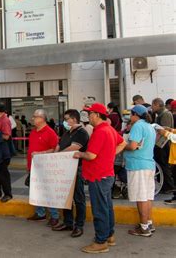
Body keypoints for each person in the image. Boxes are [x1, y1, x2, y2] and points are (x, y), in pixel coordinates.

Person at [73, 103, 126, 254]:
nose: (88, 116)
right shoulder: (109, 129)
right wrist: (109, 155)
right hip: (106, 174)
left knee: (100, 209)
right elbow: (123, 143)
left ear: (96, 115)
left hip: (98, 176)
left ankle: (100, 241)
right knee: (107, 206)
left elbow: (90, 155)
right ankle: (109, 235)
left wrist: (79, 154)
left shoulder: (100, 131)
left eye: (90, 114)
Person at [52, 109, 89, 237]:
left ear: (73, 119)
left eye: (66, 119)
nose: (65, 121)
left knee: (78, 199)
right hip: (64, 169)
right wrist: (54, 155)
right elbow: (59, 144)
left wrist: (57, 156)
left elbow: (74, 148)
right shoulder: (67, 132)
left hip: (76, 169)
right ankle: (68, 222)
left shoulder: (81, 133)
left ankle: (79, 225)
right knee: (65, 197)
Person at [122, 105, 156, 236]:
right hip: (149, 164)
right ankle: (148, 223)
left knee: (141, 197)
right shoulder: (149, 126)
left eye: (131, 114)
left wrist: (122, 145)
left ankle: (143, 228)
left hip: (137, 165)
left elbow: (132, 146)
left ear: (135, 114)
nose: (130, 117)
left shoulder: (137, 126)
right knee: (147, 196)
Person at [26, 109, 59, 226]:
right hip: (33, 167)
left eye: (35, 117)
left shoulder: (50, 132)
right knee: (36, 191)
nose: (33, 118)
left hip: (45, 168)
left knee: (48, 191)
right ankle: (40, 213)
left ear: (42, 119)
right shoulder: (33, 132)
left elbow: (55, 149)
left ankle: (54, 215)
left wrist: (41, 153)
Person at [152, 98, 174, 194]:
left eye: (153, 105)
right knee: (161, 165)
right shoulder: (160, 114)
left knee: (164, 165)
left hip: (163, 145)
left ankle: (168, 187)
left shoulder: (165, 114)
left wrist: (158, 145)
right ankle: (165, 186)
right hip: (160, 145)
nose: (152, 107)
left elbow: (164, 132)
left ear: (157, 105)